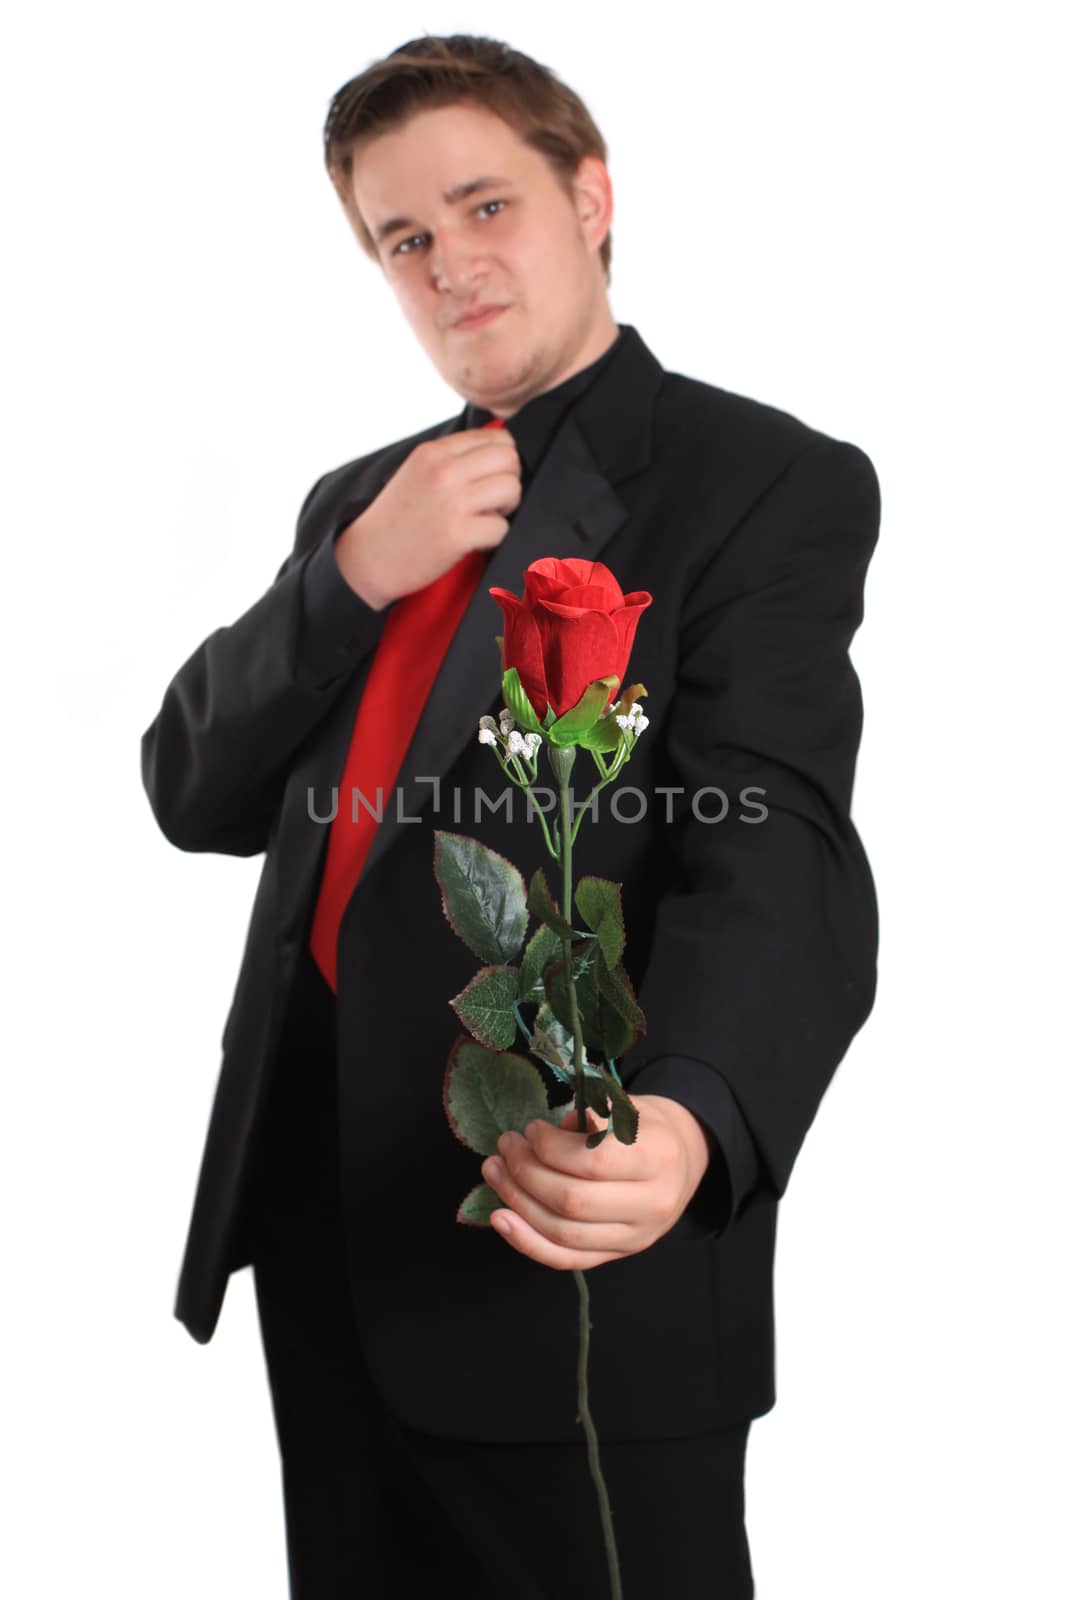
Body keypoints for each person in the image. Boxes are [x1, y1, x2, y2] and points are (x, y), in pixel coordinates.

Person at [141, 32, 881, 1600]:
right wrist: (350, 579)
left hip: (571, 1251)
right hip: (332, 1253)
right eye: (404, 238)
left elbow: (777, 844)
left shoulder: (757, 481)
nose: (449, 266)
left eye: (487, 208)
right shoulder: (362, 502)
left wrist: (692, 1116)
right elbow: (190, 787)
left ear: (590, 196)